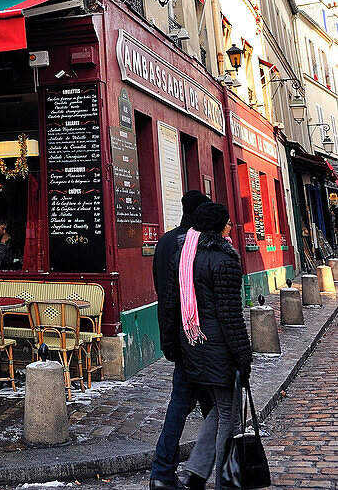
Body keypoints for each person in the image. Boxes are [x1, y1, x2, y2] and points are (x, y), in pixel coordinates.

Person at [161, 202, 252, 490]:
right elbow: (230, 314)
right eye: (227, 223)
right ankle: (227, 480)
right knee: (229, 415)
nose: (230, 228)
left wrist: (172, 345)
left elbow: (170, 304)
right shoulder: (223, 260)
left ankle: (196, 474)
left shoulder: (185, 256)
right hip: (218, 350)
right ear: (218, 227)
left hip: (193, 344)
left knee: (220, 411)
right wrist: (243, 355)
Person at [149, 190, 210, 490]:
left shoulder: (163, 242)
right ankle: (165, 470)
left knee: (200, 407)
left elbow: (160, 290)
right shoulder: (195, 245)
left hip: (176, 335)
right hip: (195, 338)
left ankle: (169, 471)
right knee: (203, 409)